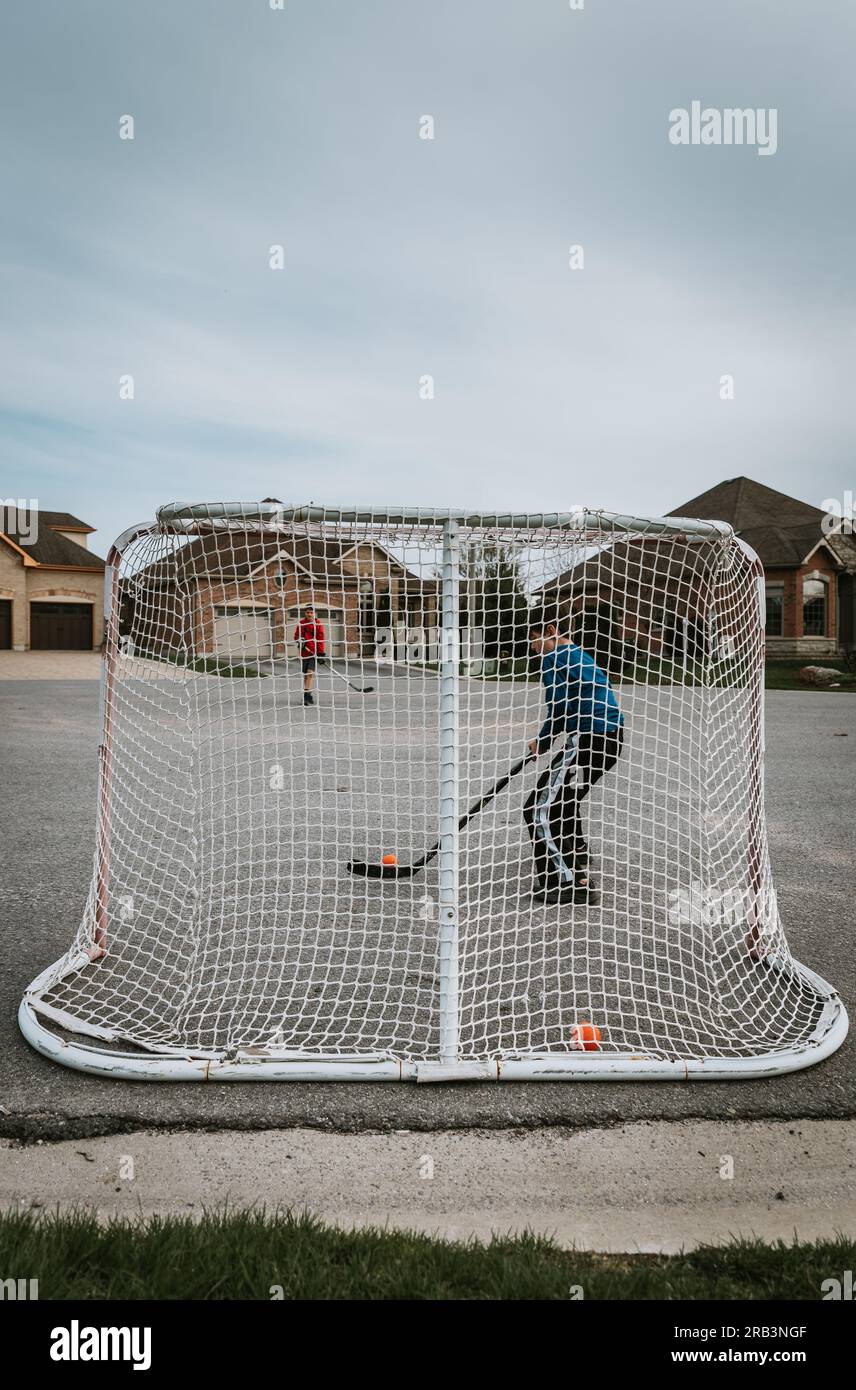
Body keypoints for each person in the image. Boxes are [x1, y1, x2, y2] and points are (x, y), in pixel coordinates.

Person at [524, 610, 624, 905]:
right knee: (564, 798)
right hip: (610, 738)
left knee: (537, 809)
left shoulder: (553, 658)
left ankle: (568, 882)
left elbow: (560, 706)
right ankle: (577, 849)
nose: (532, 647)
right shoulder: (578, 654)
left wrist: (542, 741)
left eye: (533, 640)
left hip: (588, 740)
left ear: (551, 630)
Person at [293, 605, 325, 706]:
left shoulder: (318, 624)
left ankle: (306, 695)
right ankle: (308, 693)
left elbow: (320, 639)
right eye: (307, 612)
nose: (309, 614)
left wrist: (321, 653)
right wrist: (300, 640)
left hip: (313, 652)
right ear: (305, 613)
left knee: (310, 673)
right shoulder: (301, 623)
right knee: (306, 674)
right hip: (304, 652)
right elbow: (296, 636)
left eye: (311, 612)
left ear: (314, 613)